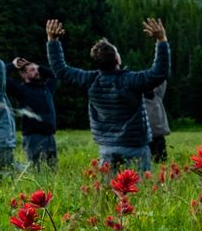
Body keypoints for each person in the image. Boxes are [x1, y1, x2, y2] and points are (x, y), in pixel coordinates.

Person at [46, 17, 170, 172]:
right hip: (135, 148)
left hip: (107, 149)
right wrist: (161, 40)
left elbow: (60, 70)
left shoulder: (90, 80)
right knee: (137, 193)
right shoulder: (130, 80)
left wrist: (52, 41)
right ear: (117, 59)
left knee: (110, 193)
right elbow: (159, 73)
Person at [7, 57, 59, 170]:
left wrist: (38, 66)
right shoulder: (21, 90)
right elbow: (1, 77)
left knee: (53, 171)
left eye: (37, 70)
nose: (37, 72)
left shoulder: (46, 88)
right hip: (33, 137)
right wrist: (13, 65)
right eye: (32, 70)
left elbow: (55, 75)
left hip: (50, 136)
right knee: (37, 170)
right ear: (23, 74)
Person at [143, 81, 171, 163]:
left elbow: (162, 81)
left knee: (162, 161)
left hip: (159, 137)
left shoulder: (157, 95)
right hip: (146, 138)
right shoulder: (140, 99)